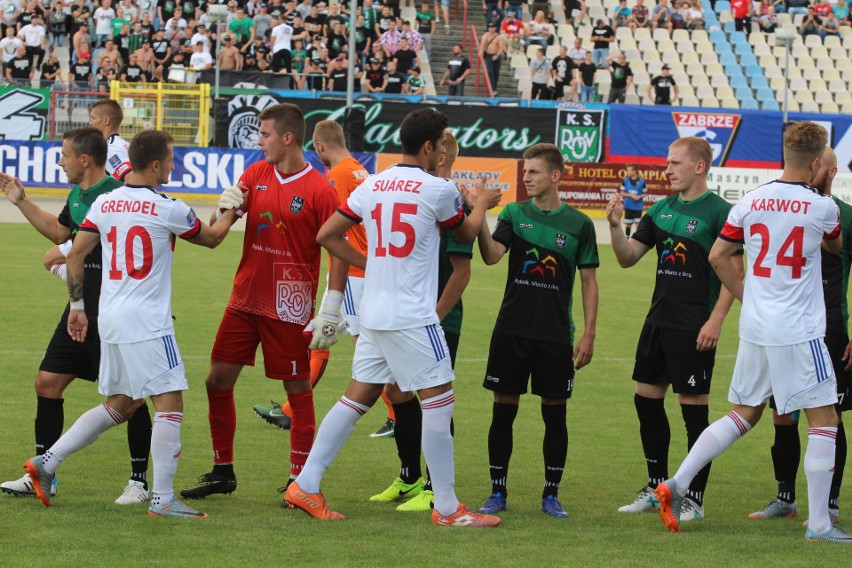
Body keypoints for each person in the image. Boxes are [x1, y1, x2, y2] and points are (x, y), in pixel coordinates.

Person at [283, 107, 503, 527]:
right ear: (428, 146)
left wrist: (369, 259)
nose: (443, 150)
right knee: (439, 400)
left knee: (355, 398)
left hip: (373, 310)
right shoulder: (437, 189)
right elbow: (468, 234)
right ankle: (448, 508)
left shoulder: (375, 183)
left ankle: (305, 485)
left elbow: (326, 235)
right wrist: (483, 203)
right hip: (412, 314)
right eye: (441, 144)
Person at [19, 129, 242, 519]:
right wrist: (231, 212)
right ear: (155, 164)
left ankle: (46, 462)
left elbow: (71, 255)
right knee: (170, 401)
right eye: (171, 160)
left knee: (122, 403)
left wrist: (76, 305)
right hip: (149, 322)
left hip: (109, 317)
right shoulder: (169, 206)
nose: (174, 166)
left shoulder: (105, 203)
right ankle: (163, 498)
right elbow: (211, 239)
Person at [654, 123, 852, 544]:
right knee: (825, 419)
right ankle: (819, 524)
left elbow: (718, 255)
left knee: (743, 413)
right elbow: (833, 247)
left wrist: (747, 295)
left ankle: (679, 481)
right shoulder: (823, 207)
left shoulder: (751, 199)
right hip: (799, 330)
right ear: (818, 163)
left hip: (756, 327)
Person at [180, 103, 347, 501]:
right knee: (216, 381)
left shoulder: (320, 190)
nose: (259, 140)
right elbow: (219, 228)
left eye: (265, 133)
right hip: (244, 298)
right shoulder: (255, 174)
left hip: (289, 304)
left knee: (297, 390)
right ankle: (223, 471)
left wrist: (331, 307)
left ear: (287, 138)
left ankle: (299, 481)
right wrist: (222, 206)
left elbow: (338, 251)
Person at [0, 127, 154, 506]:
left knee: (131, 397)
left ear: (84, 159)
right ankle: (43, 473)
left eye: (64, 155)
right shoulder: (78, 195)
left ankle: (138, 482)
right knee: (47, 382)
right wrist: (21, 201)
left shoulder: (117, 196)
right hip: (81, 311)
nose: (60, 161)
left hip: (115, 314)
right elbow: (59, 232)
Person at [607, 137, 740, 523]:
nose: (667, 169)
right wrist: (616, 227)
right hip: (658, 321)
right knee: (645, 400)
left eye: (675, 163)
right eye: (667, 162)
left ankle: (693, 499)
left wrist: (715, 320)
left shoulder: (720, 213)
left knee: (693, 411)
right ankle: (656, 487)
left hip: (694, 326)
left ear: (699, 166)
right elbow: (628, 257)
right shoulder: (661, 209)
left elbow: (736, 273)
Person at [475, 143, 599, 519]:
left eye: (534, 172)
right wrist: (480, 211)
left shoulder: (580, 224)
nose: (526, 178)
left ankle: (551, 494)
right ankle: (498, 491)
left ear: (556, 176)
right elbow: (492, 255)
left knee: (555, 414)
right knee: (503, 412)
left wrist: (589, 333)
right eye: (524, 171)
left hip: (555, 334)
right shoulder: (514, 212)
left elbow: (590, 282)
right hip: (511, 330)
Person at [368, 129, 473, 512]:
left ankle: (434, 487)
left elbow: (462, 272)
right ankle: (410, 476)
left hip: (437, 318)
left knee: (436, 398)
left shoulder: (453, 200)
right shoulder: (419, 193)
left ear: (439, 155)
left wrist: (434, 318)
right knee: (396, 392)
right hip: (405, 315)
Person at [747, 147, 851, 524]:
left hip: (831, 329)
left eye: (821, 164)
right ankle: (785, 498)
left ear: (828, 170)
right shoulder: (782, 205)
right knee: (783, 417)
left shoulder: (841, 213)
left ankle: (829, 506)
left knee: (828, 418)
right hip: (789, 328)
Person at [254, 120, 370, 432]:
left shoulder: (338, 176)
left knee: (365, 346)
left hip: (351, 271)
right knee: (322, 338)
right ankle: (291, 409)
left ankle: (399, 415)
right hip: (356, 267)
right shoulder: (359, 169)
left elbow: (328, 226)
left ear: (319, 146)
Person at [619, 164, 646, 237]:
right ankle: (627, 239)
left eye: (629, 170)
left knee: (638, 225)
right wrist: (631, 195)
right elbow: (621, 193)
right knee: (628, 224)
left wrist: (639, 197)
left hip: (638, 207)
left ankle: (636, 240)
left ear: (634, 171)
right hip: (628, 206)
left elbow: (645, 193)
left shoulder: (642, 181)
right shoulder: (625, 180)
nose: (627, 172)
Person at [480, 21, 505, 94]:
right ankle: (492, 89)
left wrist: (497, 55)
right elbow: (482, 43)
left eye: (492, 27)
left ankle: (494, 87)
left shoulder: (499, 37)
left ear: (495, 28)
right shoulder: (486, 35)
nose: (490, 29)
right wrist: (481, 51)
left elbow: (501, 47)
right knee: (490, 71)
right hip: (488, 55)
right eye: (489, 27)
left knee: (496, 72)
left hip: (496, 55)